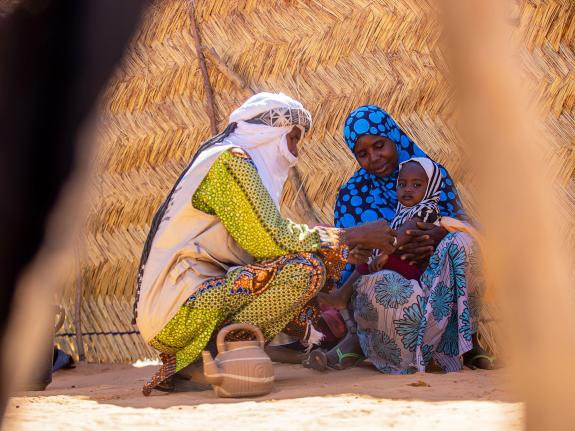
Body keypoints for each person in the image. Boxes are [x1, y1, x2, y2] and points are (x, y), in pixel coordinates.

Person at [133, 94, 398, 394]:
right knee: (306, 270)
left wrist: (340, 249)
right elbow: (271, 239)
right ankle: (219, 358)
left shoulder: (231, 160)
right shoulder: (230, 162)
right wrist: (350, 236)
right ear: (271, 133)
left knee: (319, 260)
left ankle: (207, 359)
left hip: (187, 305)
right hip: (179, 311)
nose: (295, 151)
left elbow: (268, 244)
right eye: (293, 139)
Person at [310, 105, 496, 373]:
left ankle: (466, 342)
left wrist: (436, 237)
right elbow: (352, 257)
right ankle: (365, 341)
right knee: (383, 284)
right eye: (363, 154)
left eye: (379, 145)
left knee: (466, 244)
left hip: (435, 275)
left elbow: (459, 221)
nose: (374, 157)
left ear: (393, 136)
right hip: (389, 282)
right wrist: (391, 248)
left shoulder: (432, 174)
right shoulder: (353, 194)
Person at [319, 157, 443, 309]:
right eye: (402, 184)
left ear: (431, 186)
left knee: (372, 261)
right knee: (366, 258)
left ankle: (342, 297)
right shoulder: (403, 211)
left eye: (417, 185)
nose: (408, 189)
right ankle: (343, 297)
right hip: (400, 264)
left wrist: (385, 253)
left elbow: (408, 230)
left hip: (416, 270)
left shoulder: (426, 208)